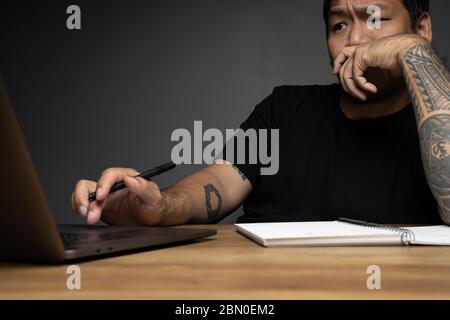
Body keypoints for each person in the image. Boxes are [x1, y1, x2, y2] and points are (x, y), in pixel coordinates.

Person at [71, 0, 450, 226]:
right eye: (338, 24)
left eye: (374, 19)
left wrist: (412, 53)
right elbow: (219, 182)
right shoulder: (285, 108)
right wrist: (158, 205)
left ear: (421, 28)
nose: (353, 40)